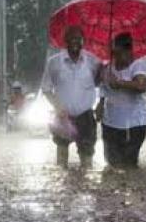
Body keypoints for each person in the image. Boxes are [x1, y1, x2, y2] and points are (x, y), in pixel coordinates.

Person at [41, 26, 103, 167]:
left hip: (86, 116)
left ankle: (85, 187)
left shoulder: (93, 61)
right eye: (72, 38)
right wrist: (57, 107)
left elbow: (101, 83)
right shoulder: (54, 62)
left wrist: (101, 103)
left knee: (87, 159)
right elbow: (46, 88)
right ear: (66, 41)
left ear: (83, 41)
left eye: (78, 39)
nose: (75, 41)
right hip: (63, 116)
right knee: (61, 160)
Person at [97, 33, 146, 168]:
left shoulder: (139, 65)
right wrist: (100, 104)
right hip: (110, 122)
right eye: (115, 53)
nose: (118, 58)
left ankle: (131, 186)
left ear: (129, 51)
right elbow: (103, 88)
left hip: (134, 124)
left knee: (129, 164)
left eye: (121, 54)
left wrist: (120, 83)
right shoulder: (107, 67)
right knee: (111, 163)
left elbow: (141, 86)